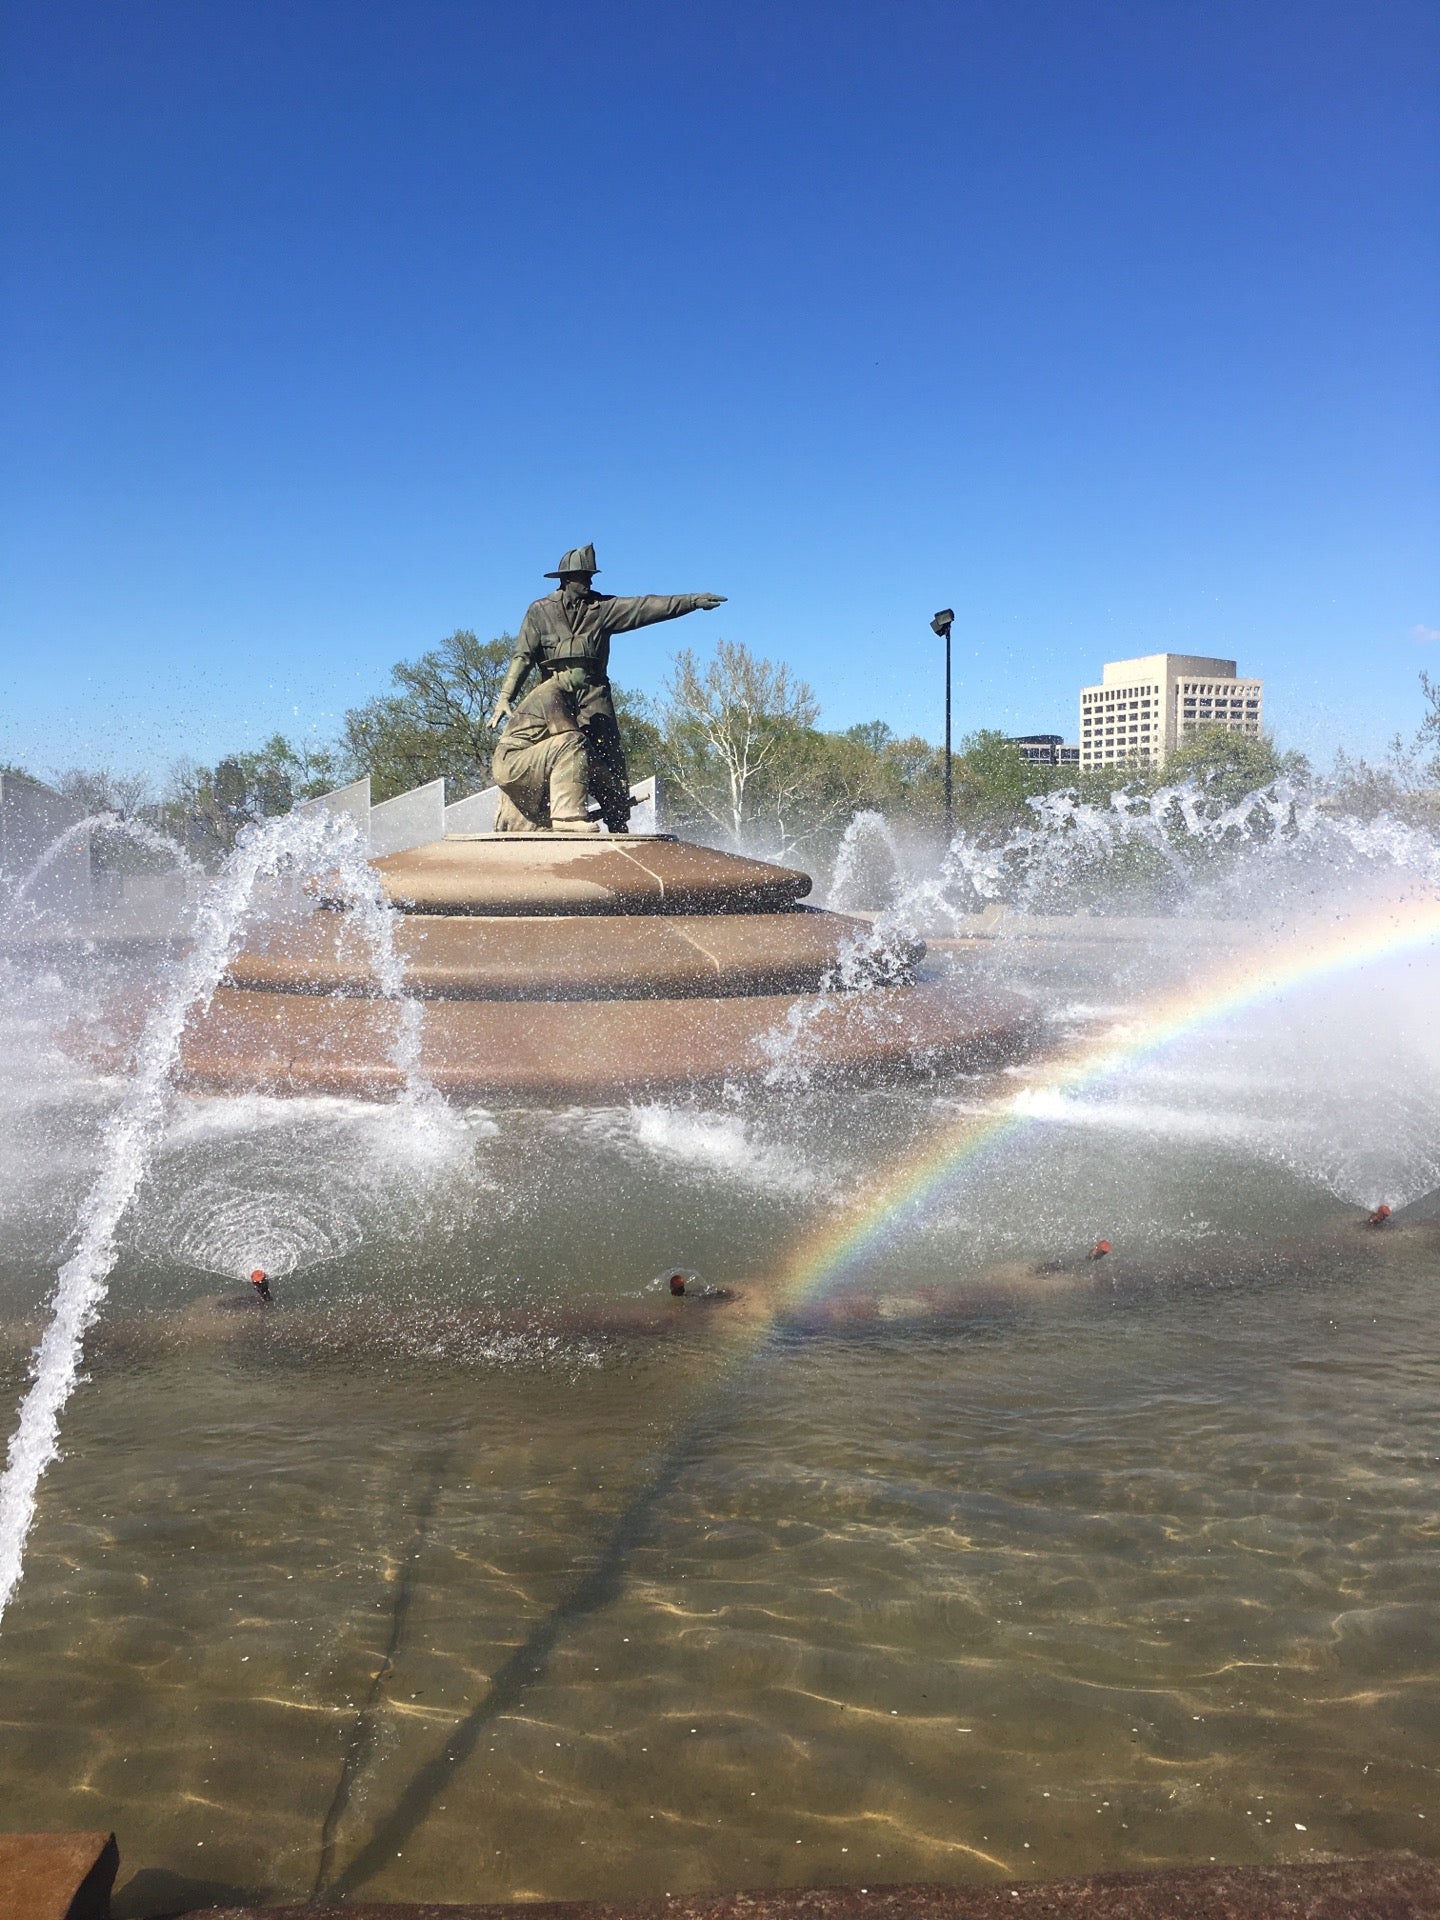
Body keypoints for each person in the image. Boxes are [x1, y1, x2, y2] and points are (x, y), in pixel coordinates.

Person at [488, 545, 725, 831]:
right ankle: (554, 819)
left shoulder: (602, 609)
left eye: (590, 577)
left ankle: (617, 821)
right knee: (556, 752)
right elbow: (522, 655)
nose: (589, 583)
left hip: (594, 697)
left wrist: (692, 601)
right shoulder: (540, 611)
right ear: (566, 579)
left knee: (609, 757)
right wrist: (505, 697)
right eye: (583, 577)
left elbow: (646, 607)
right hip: (558, 696)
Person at [490, 664, 597, 832]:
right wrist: (611, 786)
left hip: (520, 763)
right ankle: (567, 817)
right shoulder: (551, 693)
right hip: (513, 762)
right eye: (584, 668)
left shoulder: (564, 695)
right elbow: (573, 742)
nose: (591, 672)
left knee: (535, 833)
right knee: (573, 741)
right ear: (566, 669)